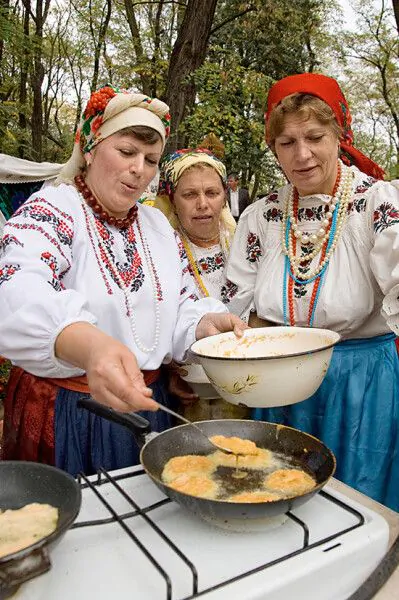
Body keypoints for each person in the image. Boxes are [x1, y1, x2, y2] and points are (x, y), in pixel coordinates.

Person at [0, 84, 246, 476]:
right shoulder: (54, 209)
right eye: (127, 152)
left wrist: (201, 324)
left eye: (151, 159)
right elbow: (16, 288)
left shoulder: (156, 228)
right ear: (92, 147)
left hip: (148, 405)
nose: (139, 169)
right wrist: (90, 346)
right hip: (72, 411)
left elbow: (180, 299)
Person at [222, 72, 399, 511]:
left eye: (315, 137)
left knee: (356, 499)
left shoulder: (376, 203)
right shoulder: (262, 215)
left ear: (339, 135)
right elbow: (233, 305)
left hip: (360, 387)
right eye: (286, 143)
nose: (302, 155)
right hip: (278, 384)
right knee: (275, 490)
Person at [154, 148, 249, 420]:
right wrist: (172, 371)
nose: (203, 203)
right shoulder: (160, 253)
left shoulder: (247, 244)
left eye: (212, 193)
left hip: (249, 386)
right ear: (172, 200)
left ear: (224, 199)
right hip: (188, 390)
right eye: (189, 194)